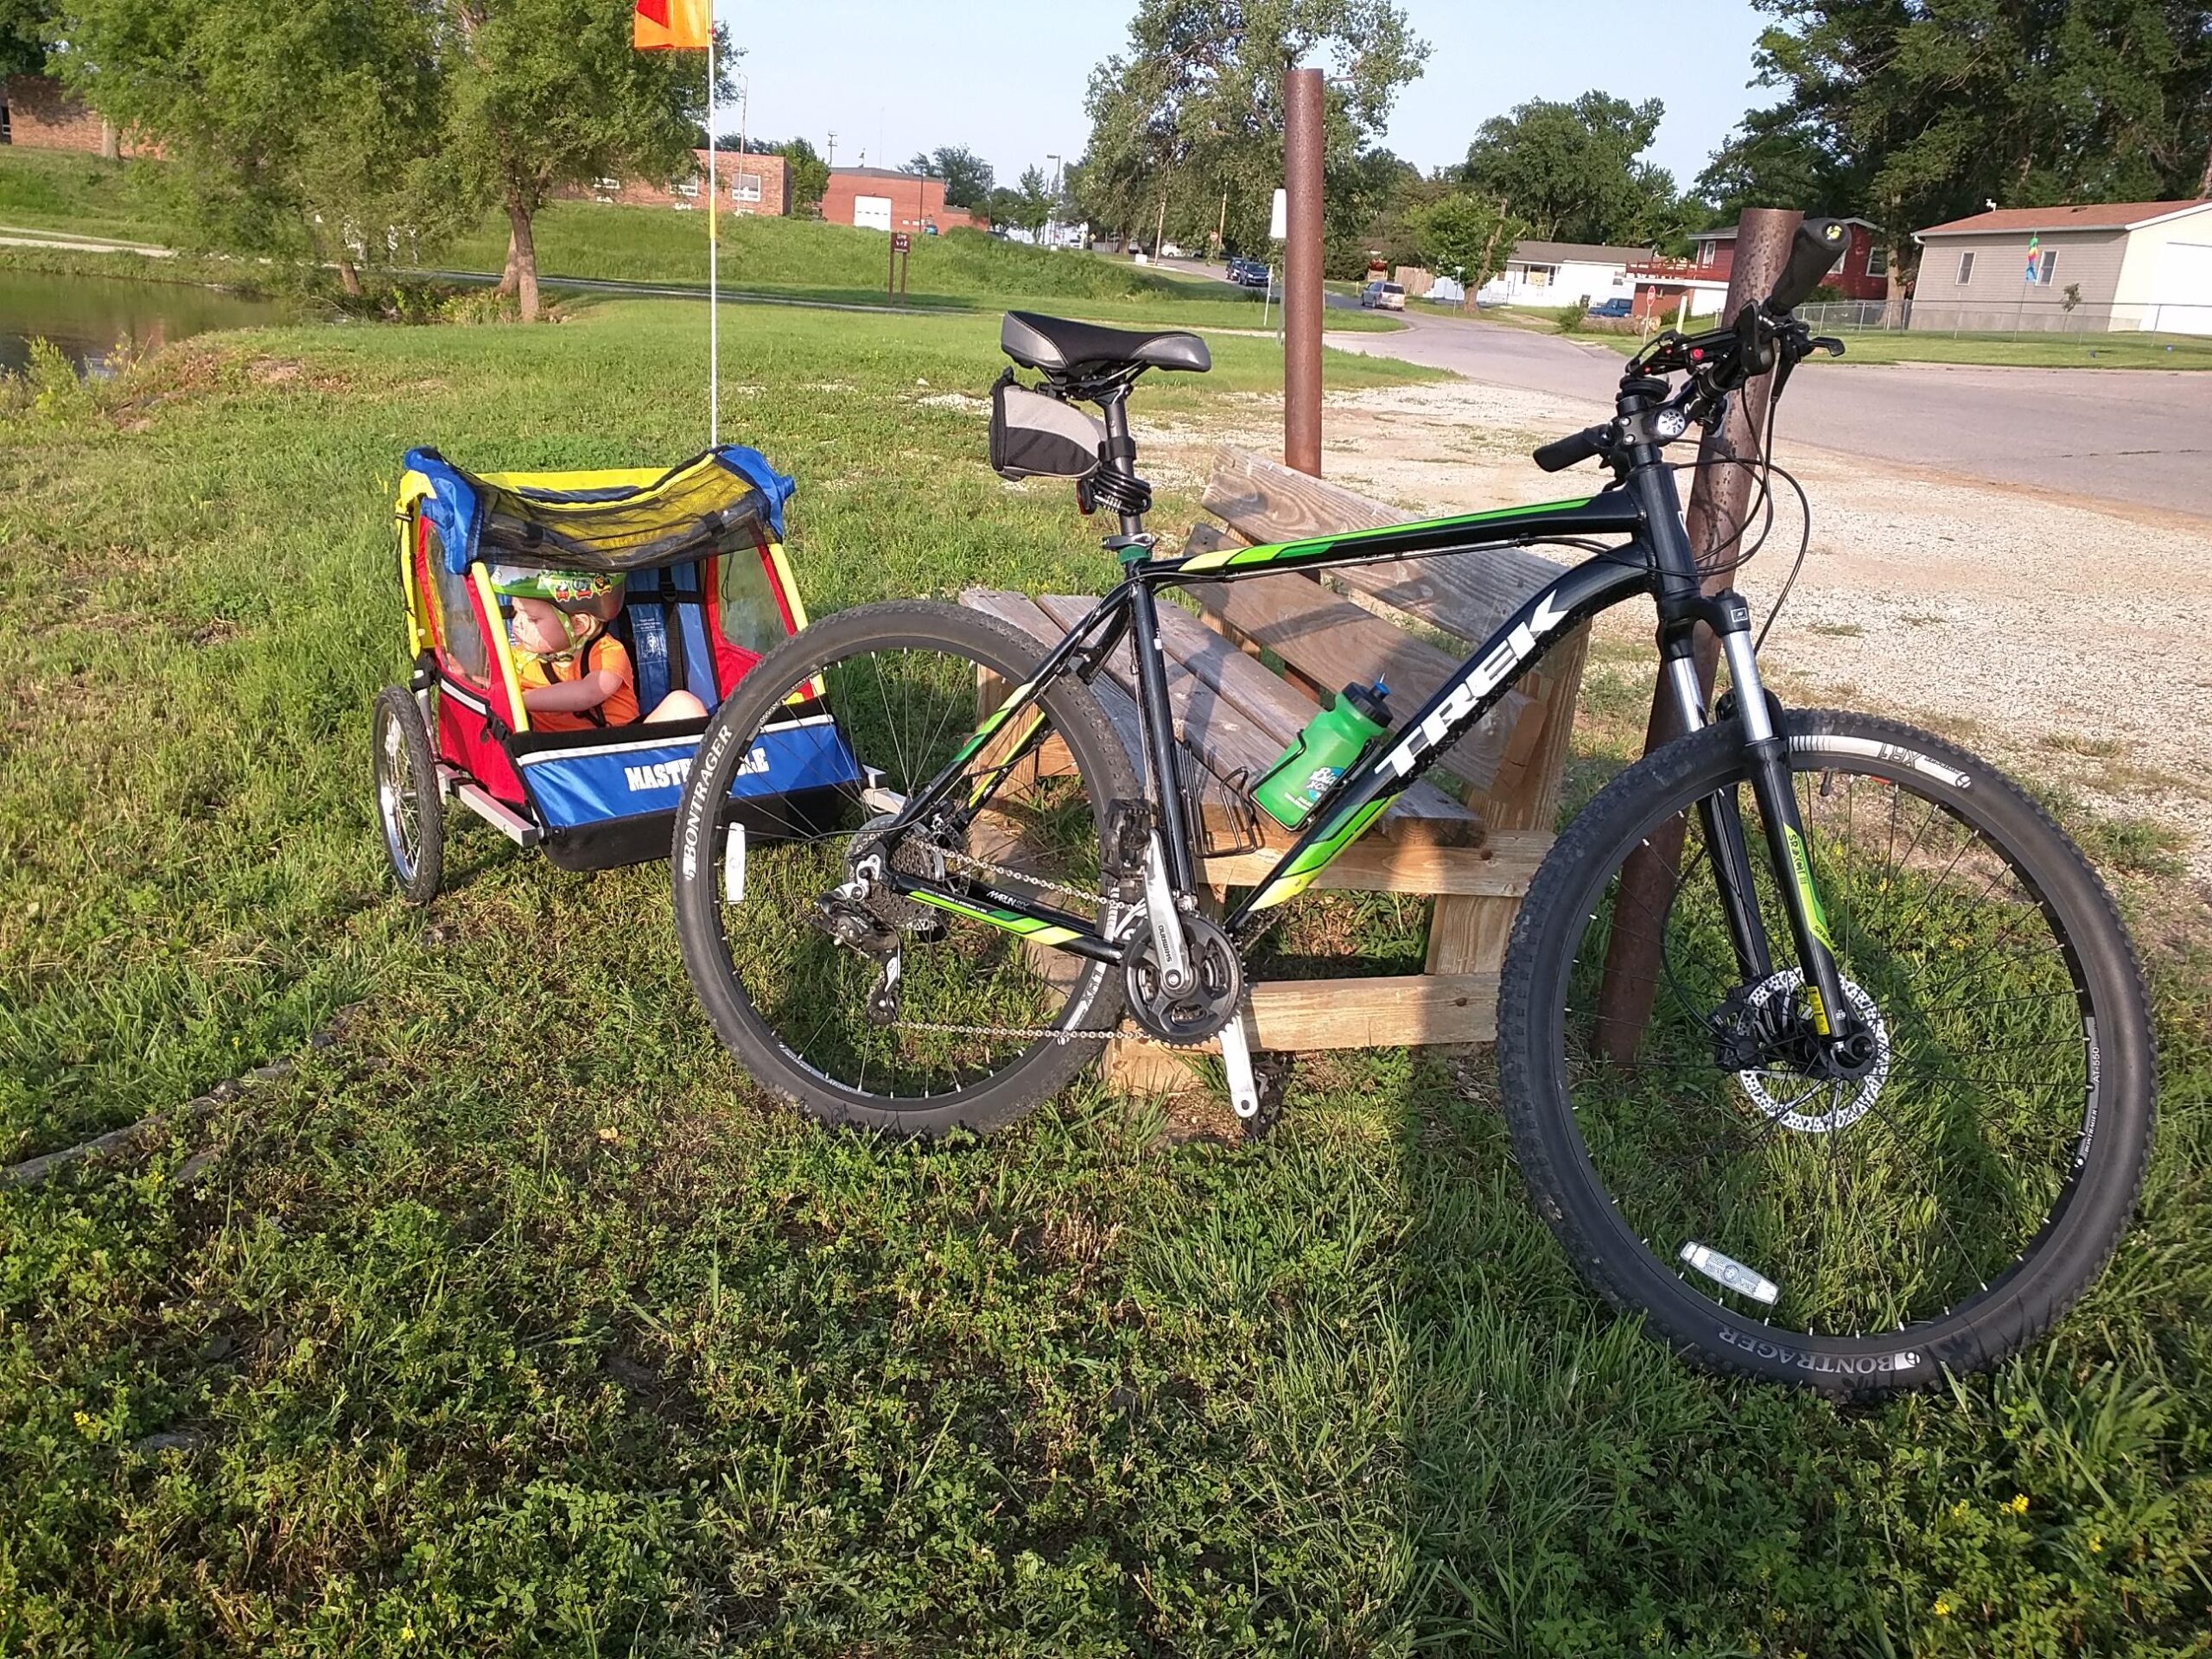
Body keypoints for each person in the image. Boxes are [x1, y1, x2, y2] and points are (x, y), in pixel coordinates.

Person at [492, 568, 707, 733]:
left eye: (532, 619)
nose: (517, 624)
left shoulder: (607, 651)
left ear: (578, 625)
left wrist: (518, 700)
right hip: (555, 765)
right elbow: (492, 691)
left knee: (684, 704)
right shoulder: (516, 658)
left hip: (622, 747)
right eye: (515, 612)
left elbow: (589, 693)